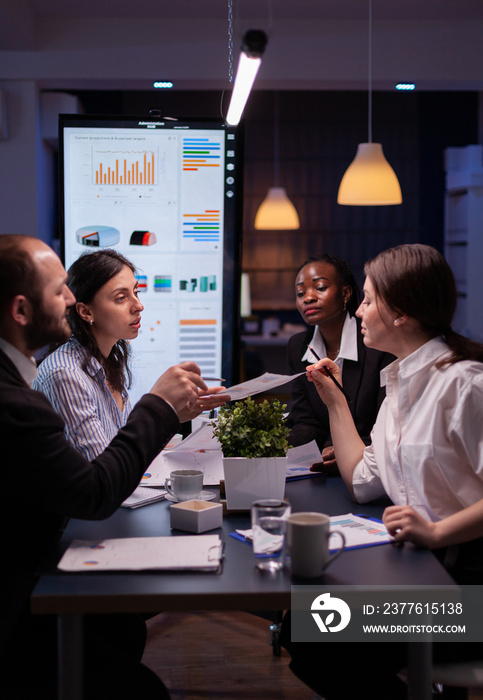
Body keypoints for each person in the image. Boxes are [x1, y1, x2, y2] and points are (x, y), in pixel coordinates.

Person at [0, 234, 229, 700]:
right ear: (22, 311)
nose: (68, 300)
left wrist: (174, 414)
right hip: (19, 603)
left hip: (39, 570)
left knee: (126, 631)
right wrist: (159, 406)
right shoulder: (30, 392)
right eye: (59, 290)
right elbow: (97, 488)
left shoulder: (45, 376)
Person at [281, 244, 483, 699]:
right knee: (306, 629)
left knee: (318, 637)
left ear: (402, 313)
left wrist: (437, 532)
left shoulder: (465, 384)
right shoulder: (398, 386)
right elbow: (360, 481)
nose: (361, 312)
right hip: (422, 582)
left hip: (465, 599)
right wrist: (334, 398)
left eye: (368, 301)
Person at [33, 249, 225, 459]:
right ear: (86, 312)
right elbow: (106, 475)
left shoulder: (108, 360)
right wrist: (158, 404)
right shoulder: (65, 375)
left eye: (136, 292)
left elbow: (123, 451)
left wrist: (171, 415)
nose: (139, 306)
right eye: (121, 298)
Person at [286, 253, 393, 472]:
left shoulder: (377, 342)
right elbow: (307, 423)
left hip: (375, 463)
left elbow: (387, 424)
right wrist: (272, 447)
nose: (307, 298)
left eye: (320, 288)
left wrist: (348, 448)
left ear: (345, 293)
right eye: (300, 292)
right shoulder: (298, 347)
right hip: (322, 469)